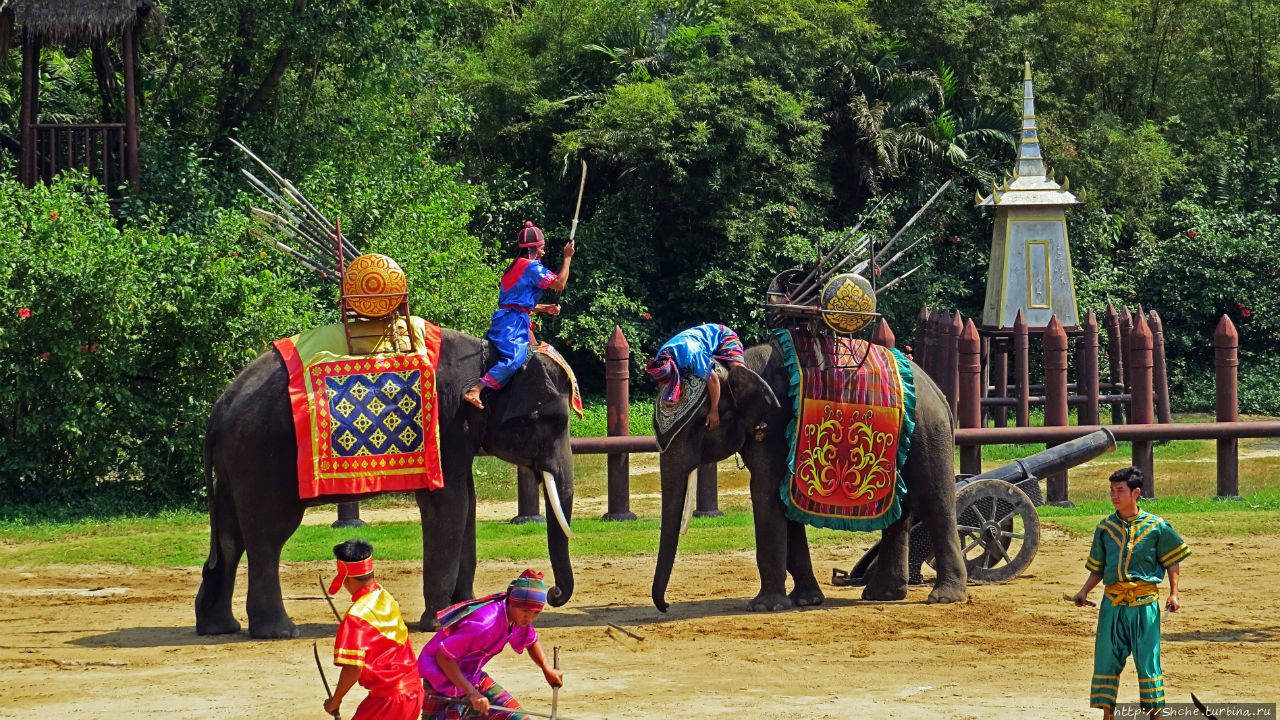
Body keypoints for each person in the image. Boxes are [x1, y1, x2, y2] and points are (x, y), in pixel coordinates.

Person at [1072, 467, 1191, 719]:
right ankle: (1108, 715)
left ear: (1135, 492)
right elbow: (1099, 569)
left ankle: (1155, 716)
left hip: (1145, 603)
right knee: (1106, 659)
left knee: (1148, 661)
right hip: (1112, 604)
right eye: (1112, 491)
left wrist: (1174, 593)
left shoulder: (1158, 527)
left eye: (1120, 491)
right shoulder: (1104, 528)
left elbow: (1172, 561)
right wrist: (1084, 591)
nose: (1114, 496)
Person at [418, 570, 563, 720]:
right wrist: (472, 693)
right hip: (440, 681)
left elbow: (530, 640)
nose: (529, 618)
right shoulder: (484, 625)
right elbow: (443, 658)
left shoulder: (516, 618)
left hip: (472, 677)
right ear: (513, 602)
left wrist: (547, 669)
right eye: (526, 611)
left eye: (536, 613)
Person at [464, 222, 574, 409]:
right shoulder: (530, 267)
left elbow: (516, 302)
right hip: (511, 324)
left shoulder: (517, 266)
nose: (543, 253)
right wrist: (567, 257)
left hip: (515, 319)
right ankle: (477, 389)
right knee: (515, 359)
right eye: (541, 249)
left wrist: (544, 308)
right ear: (532, 249)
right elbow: (559, 284)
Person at [324, 539, 425, 720]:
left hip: (389, 700)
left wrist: (336, 700)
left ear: (346, 580)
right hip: (414, 692)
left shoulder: (356, 617)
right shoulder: (384, 596)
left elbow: (353, 667)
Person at [645, 323, 745, 429]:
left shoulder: (690, 356)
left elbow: (713, 378)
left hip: (722, 335)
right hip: (695, 341)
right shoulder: (661, 357)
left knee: (737, 369)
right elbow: (662, 382)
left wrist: (714, 411)